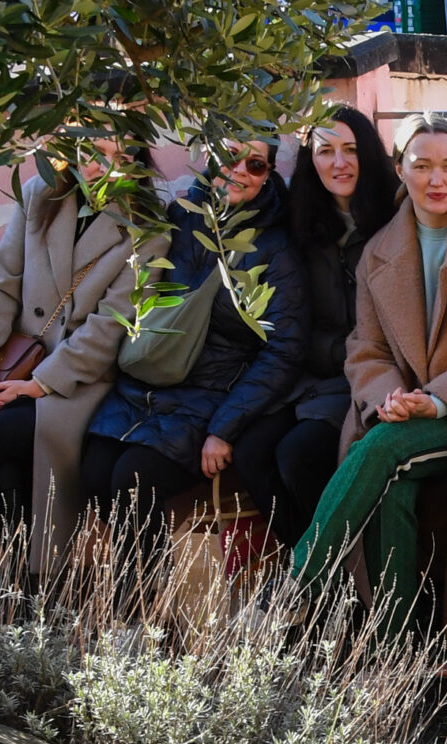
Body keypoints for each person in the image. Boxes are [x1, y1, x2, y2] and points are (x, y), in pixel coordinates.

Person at [292, 114, 447, 632]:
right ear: (400, 169)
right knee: (392, 482)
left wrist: (438, 400)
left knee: (379, 449)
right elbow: (365, 348)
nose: (437, 179)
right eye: (422, 165)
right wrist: (391, 397)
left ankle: (295, 586)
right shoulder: (378, 251)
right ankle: (397, 640)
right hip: (401, 411)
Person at [82, 138, 309, 557]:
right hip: (144, 388)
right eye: (231, 156)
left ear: (268, 175)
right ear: (208, 155)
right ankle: (144, 597)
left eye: (255, 164)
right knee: (94, 474)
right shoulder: (181, 218)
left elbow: (284, 351)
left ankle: (139, 612)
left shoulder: (275, 250)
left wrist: (225, 428)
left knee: (133, 481)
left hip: (210, 400)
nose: (240, 170)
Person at [0, 130, 147, 583]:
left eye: (123, 156)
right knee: (3, 472)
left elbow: (111, 326)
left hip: (79, 385)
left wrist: (38, 384)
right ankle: (31, 595)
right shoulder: (39, 194)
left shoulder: (147, 226)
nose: (107, 168)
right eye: (95, 153)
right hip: (14, 366)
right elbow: (2, 283)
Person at [231, 106, 398, 557]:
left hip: (370, 380)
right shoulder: (301, 221)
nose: (339, 163)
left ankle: (331, 578)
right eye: (326, 151)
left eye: (350, 150)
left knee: (298, 454)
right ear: (311, 161)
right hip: (310, 379)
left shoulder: (395, 217)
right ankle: (308, 578)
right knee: (249, 453)